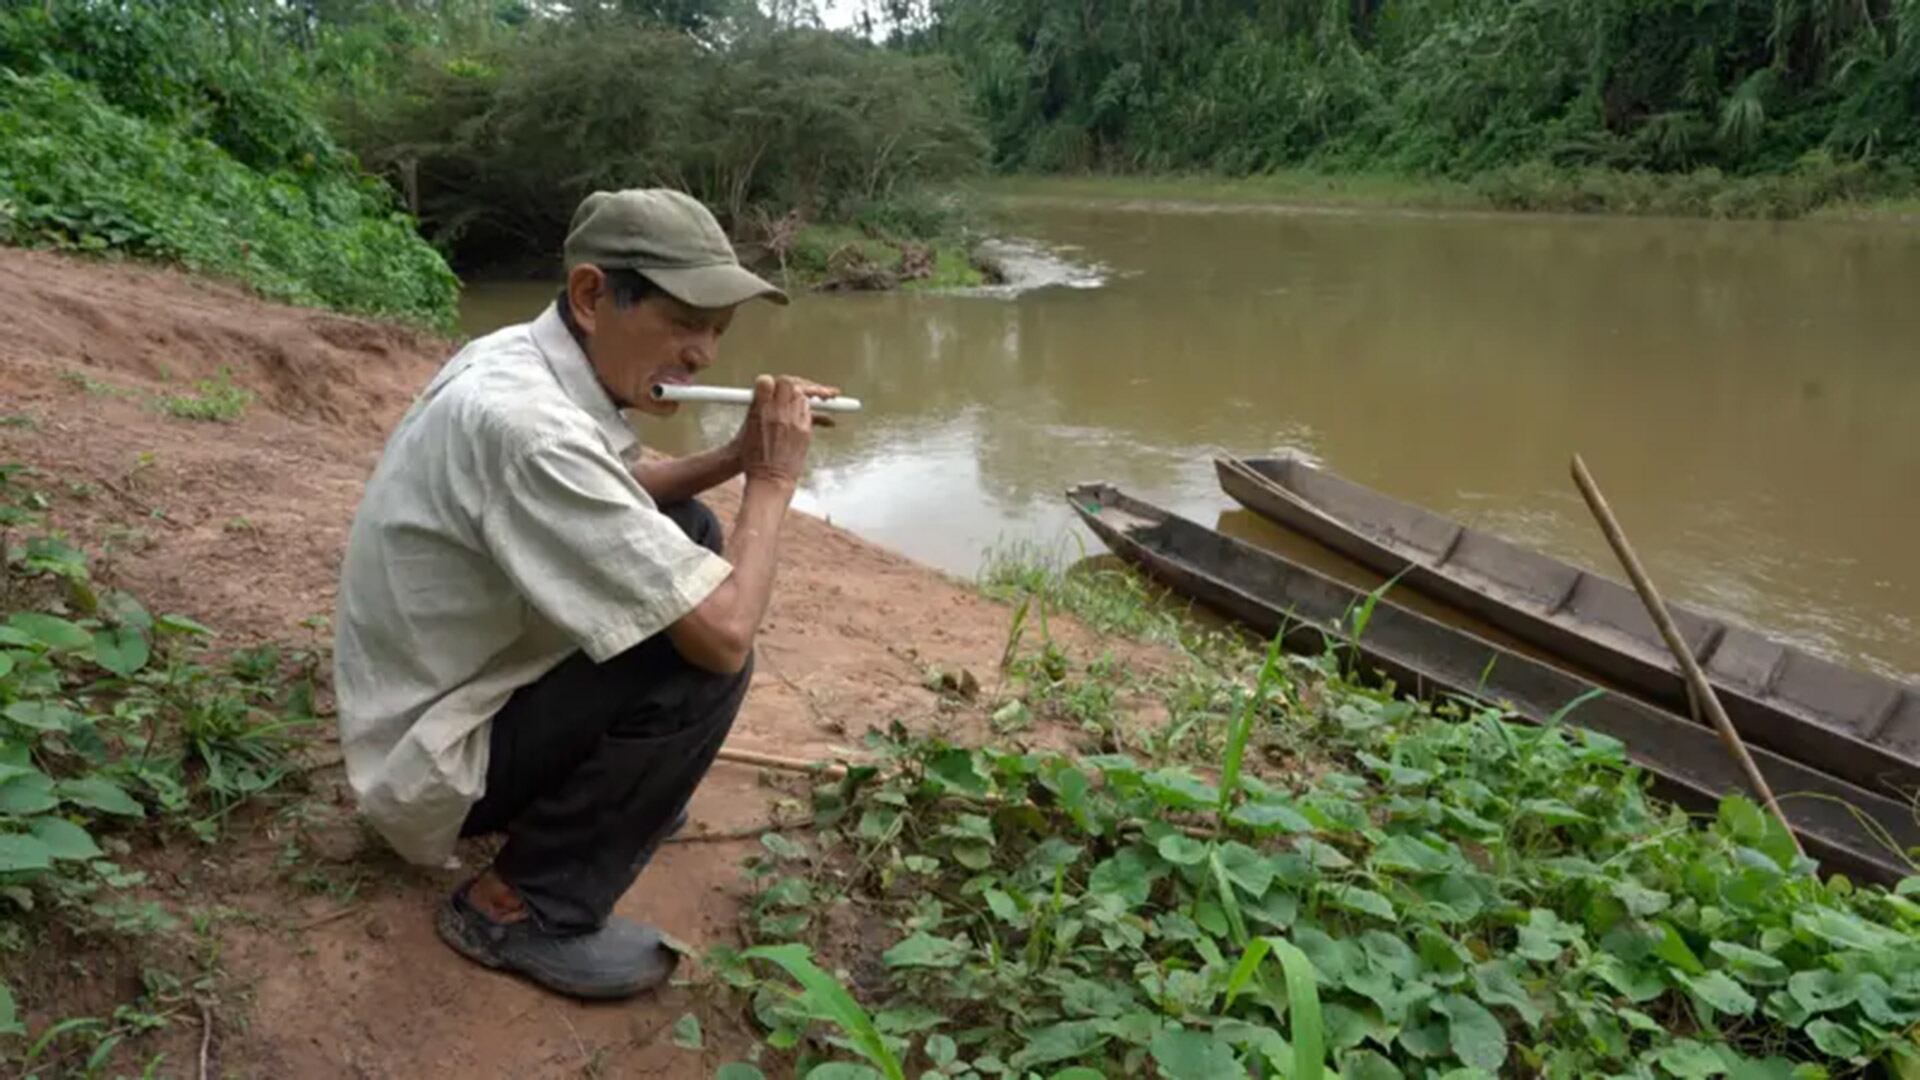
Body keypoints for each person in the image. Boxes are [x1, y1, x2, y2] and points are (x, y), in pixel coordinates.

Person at [333, 188, 834, 999]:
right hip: (439, 760)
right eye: (683, 322)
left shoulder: (524, 355)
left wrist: (738, 453)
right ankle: (518, 906)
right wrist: (774, 480)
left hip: (448, 696)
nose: (704, 354)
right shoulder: (526, 429)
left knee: (691, 533)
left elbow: (629, 485)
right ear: (593, 295)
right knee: (704, 663)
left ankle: (609, 801)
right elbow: (728, 633)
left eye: (718, 330)